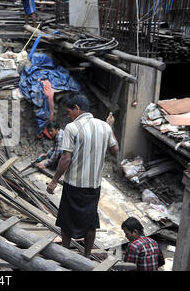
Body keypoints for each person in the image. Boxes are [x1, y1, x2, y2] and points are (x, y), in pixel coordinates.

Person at [46, 94, 119, 258]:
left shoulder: (72, 128)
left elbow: (66, 158)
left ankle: (65, 254)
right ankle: (86, 256)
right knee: (90, 222)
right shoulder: (104, 126)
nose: (68, 115)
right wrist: (110, 129)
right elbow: (115, 151)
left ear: (77, 109)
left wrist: (54, 180)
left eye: (68, 112)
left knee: (67, 221)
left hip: (74, 185)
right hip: (93, 185)